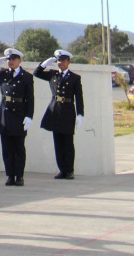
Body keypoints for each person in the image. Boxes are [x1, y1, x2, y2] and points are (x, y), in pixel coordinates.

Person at [0, 47, 34, 186]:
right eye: (8, 59)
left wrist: (29, 116)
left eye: (13, 59)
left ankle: (19, 175)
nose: (10, 61)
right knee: (6, 148)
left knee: (18, 148)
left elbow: (30, 98)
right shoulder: (3, 73)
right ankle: (10, 175)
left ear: (19, 60)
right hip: (5, 114)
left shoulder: (27, 77)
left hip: (19, 114)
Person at [34, 48, 84, 179]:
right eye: (58, 60)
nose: (60, 63)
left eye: (62, 60)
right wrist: (45, 63)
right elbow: (36, 73)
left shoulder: (74, 78)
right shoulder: (53, 74)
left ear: (68, 61)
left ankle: (69, 170)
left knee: (68, 142)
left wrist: (80, 114)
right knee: (58, 143)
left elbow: (79, 97)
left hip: (67, 110)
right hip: (55, 110)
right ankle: (62, 169)